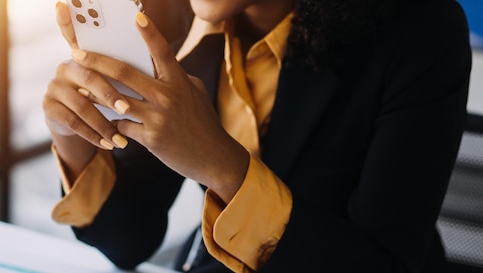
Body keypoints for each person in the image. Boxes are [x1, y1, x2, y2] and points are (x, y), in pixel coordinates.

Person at [42, 0, 472, 271]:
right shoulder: (170, 20)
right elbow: (130, 239)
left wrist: (220, 164)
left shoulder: (422, 28)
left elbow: (384, 261)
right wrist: (73, 140)